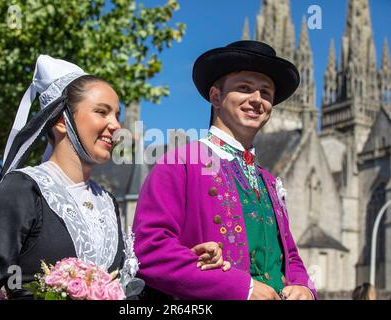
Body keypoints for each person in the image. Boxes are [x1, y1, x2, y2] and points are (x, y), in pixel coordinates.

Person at [0, 55, 226, 300]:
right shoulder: (23, 191)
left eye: (117, 115)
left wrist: (188, 261)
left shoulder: (107, 202)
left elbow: (128, 292)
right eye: (101, 112)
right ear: (60, 120)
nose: (116, 125)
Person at [133, 40, 318, 300]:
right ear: (216, 96)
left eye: (266, 92)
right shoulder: (181, 162)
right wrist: (242, 288)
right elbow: (150, 251)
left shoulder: (268, 181)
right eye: (245, 88)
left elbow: (290, 256)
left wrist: (305, 289)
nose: (257, 100)